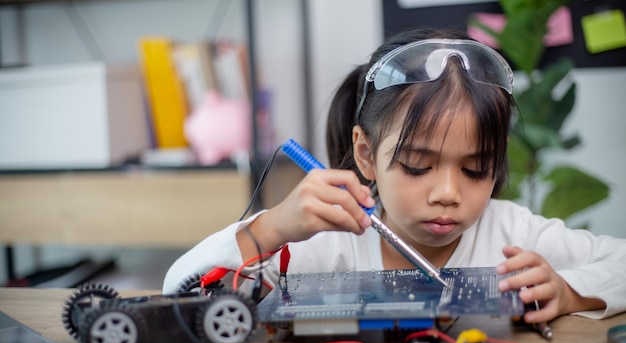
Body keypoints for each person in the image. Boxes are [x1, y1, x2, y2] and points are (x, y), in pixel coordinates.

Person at [164, 28, 626, 324]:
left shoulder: (514, 234)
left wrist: (570, 293)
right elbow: (177, 293)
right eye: (418, 166)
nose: (448, 193)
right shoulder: (328, 243)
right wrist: (269, 230)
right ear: (365, 154)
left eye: (475, 168)